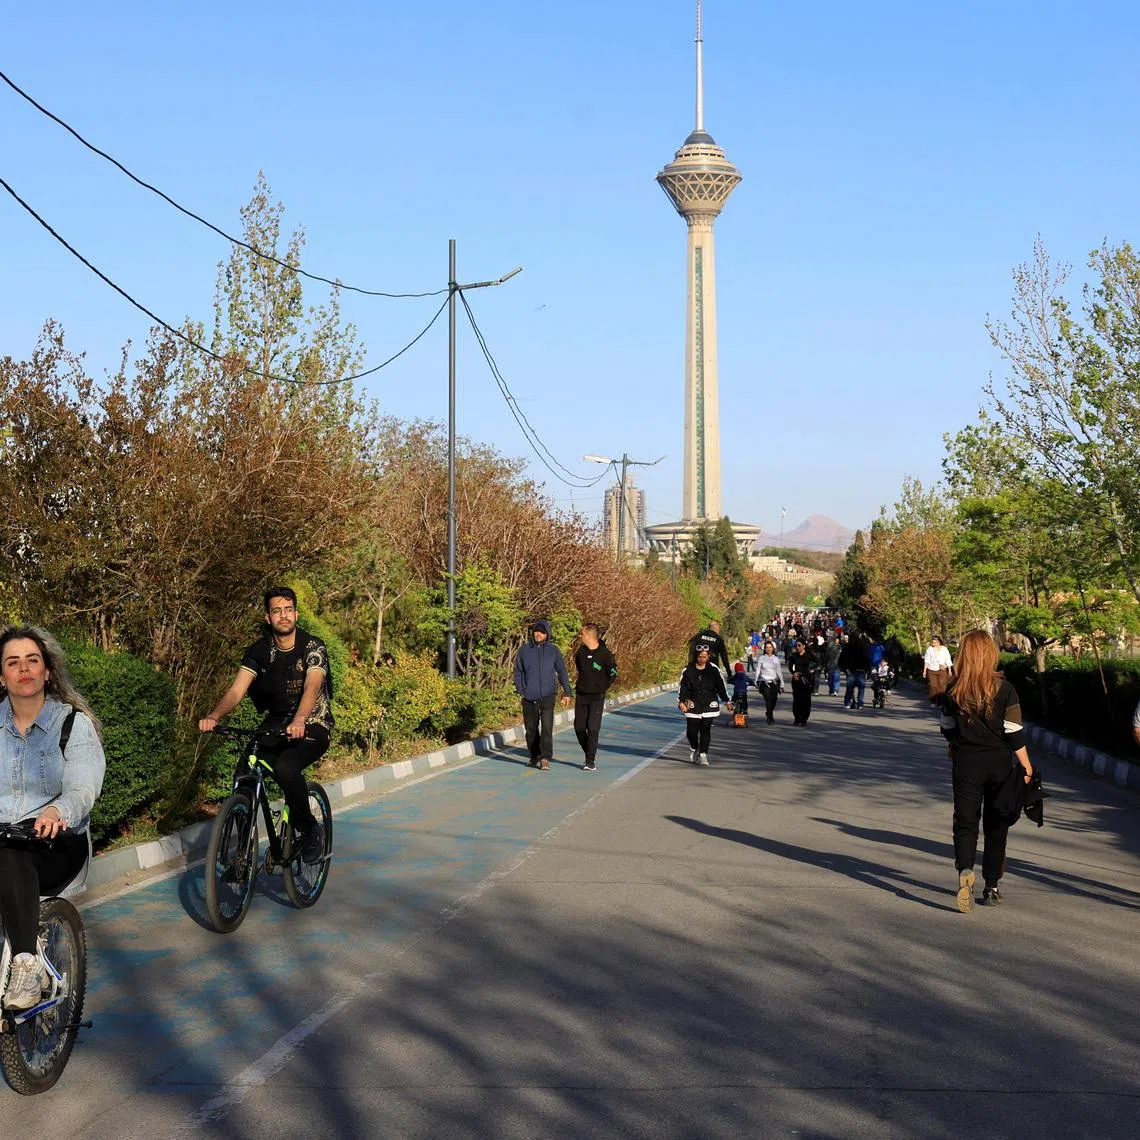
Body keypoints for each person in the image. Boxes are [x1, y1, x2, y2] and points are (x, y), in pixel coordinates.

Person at [0, 626, 105, 1011]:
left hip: (56, 845)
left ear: (47, 671)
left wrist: (58, 810)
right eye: (13, 663)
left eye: (32, 660)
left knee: (10, 857)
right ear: (2, 676)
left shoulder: (71, 725)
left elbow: (83, 787)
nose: (23, 669)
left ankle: (27, 966)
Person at [199, 586, 333, 863]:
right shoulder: (260, 651)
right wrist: (214, 716)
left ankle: (310, 831)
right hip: (275, 724)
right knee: (244, 773)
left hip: (312, 724)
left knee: (286, 769)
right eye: (276, 611)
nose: (283, 616)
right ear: (268, 617)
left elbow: (312, 685)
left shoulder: (312, 646)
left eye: (287, 610)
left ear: (295, 614)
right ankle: (239, 847)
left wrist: (300, 719)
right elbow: (237, 690)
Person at [938, 630, 1033, 912]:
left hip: (966, 763)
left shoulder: (953, 690)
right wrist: (1027, 765)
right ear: (991, 654)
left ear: (964, 654)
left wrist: (957, 743)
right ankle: (991, 886)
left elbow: (946, 728)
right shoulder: (1005, 689)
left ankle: (965, 870)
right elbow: (1014, 733)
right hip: (1000, 765)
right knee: (997, 824)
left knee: (965, 822)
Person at [514, 620, 573, 770]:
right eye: (536, 631)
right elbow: (518, 672)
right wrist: (522, 690)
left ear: (547, 634)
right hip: (529, 696)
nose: (538, 634)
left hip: (548, 695)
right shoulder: (524, 650)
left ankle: (545, 757)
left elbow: (561, 671)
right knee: (531, 729)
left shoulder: (553, 650)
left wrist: (567, 691)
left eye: (542, 632)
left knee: (547, 728)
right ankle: (534, 755)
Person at [572, 624, 616, 772]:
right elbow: (580, 668)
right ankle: (589, 752)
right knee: (579, 727)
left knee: (592, 728)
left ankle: (590, 761)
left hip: (597, 696)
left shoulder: (605, 654)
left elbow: (613, 672)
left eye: (582, 634)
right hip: (581, 695)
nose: (580, 636)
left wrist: (603, 686)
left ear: (589, 636)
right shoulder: (580, 653)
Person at [678, 646, 728, 766]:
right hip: (693, 702)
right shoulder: (688, 670)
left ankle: (703, 754)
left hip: (709, 702)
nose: (702, 659)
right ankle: (694, 747)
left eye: (704, 657)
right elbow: (682, 688)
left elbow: (721, 686)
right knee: (691, 731)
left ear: (708, 657)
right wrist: (681, 701)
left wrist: (727, 700)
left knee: (706, 729)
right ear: (695, 656)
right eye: (700, 657)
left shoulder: (713, 669)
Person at [787, 639, 818, 725]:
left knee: (806, 700)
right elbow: (790, 666)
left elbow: (818, 662)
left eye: (799, 645)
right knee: (797, 700)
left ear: (804, 646)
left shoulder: (809, 655)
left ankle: (804, 719)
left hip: (807, 679)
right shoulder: (794, 656)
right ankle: (797, 718)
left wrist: (812, 669)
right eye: (796, 645)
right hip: (797, 680)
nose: (797, 647)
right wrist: (793, 673)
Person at [755, 640, 783, 724]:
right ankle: (770, 718)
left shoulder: (776, 659)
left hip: (774, 682)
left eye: (770, 647)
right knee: (768, 699)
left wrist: (782, 683)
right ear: (765, 649)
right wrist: (756, 680)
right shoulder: (762, 658)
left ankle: (768, 712)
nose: (768, 649)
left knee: (774, 700)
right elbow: (758, 670)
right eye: (767, 647)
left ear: (773, 648)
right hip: (764, 682)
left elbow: (779, 672)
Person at [840, 632, 869, 709]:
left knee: (850, 688)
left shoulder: (848, 646)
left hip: (851, 670)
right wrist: (867, 670)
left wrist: (845, 668)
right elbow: (867, 658)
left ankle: (848, 703)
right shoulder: (864, 646)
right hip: (861, 670)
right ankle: (860, 703)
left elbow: (842, 658)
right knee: (861, 688)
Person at [924, 635, 953, 704]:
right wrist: (925, 670)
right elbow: (927, 660)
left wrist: (949, 670)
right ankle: (933, 700)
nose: (933, 643)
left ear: (938, 642)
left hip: (942, 670)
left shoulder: (944, 649)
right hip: (932, 670)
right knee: (933, 686)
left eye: (934, 642)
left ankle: (940, 701)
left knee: (942, 686)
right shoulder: (929, 649)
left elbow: (948, 659)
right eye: (932, 642)